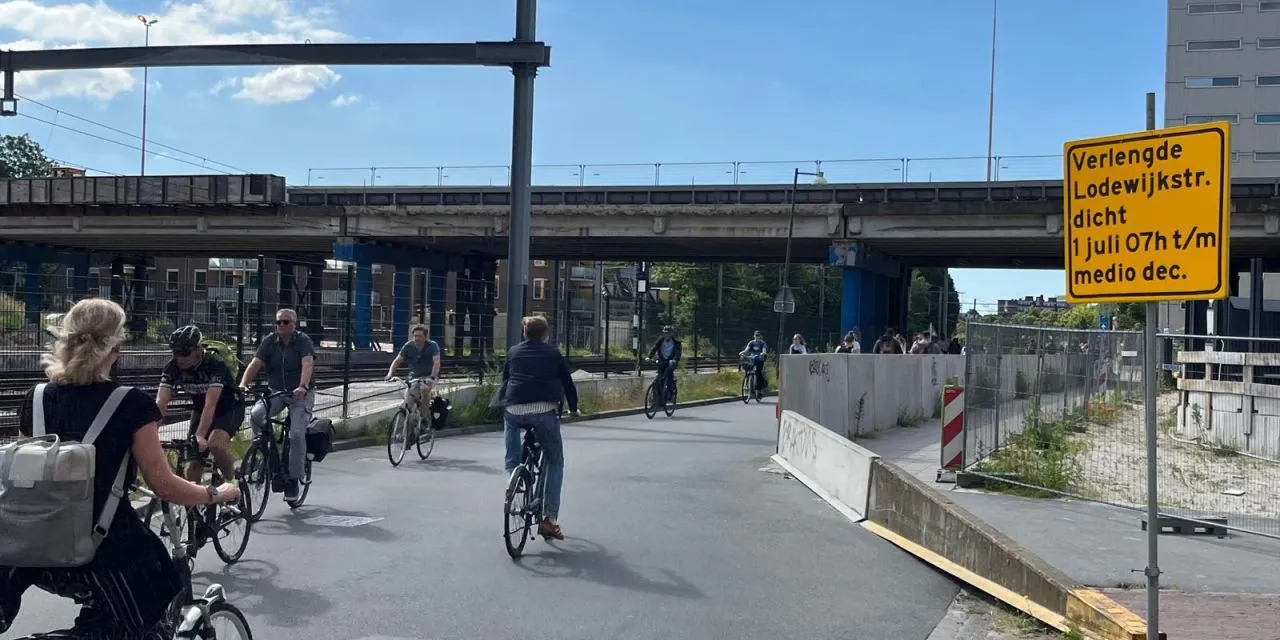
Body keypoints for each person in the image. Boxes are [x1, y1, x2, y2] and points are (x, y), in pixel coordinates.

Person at [1, 298, 239, 639]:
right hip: (102, 551)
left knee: (102, 622)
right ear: (116, 347)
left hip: (33, 548)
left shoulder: (36, 397)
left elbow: (31, 473)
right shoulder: (130, 403)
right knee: (151, 606)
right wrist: (215, 493)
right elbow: (163, 486)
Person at [499, 316, 579, 541]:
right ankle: (549, 519)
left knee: (511, 427)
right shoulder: (553, 353)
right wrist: (573, 408)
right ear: (545, 335)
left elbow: (506, 380)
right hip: (544, 411)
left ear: (524, 333)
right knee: (555, 461)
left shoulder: (513, 352)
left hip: (513, 410)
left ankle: (513, 475)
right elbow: (567, 383)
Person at [239, 308, 316, 502]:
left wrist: (302, 386)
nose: (281, 325)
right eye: (279, 322)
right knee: (257, 415)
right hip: (277, 392)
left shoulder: (303, 341)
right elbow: (255, 364)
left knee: (296, 435)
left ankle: (293, 480)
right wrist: (243, 384)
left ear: (294, 324)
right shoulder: (269, 341)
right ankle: (265, 452)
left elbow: (307, 364)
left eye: (286, 322)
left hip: (300, 394)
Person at [156, 325, 243, 483]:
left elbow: (211, 404)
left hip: (229, 409)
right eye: (176, 353)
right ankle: (195, 505)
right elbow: (161, 402)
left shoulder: (215, 364)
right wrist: (152, 432)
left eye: (185, 353)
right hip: (200, 410)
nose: (180, 358)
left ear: (198, 349)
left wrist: (200, 436)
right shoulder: (173, 367)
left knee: (215, 444)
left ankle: (233, 485)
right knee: (193, 466)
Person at [385, 323, 442, 419]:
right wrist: (390, 374)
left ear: (425, 336)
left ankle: (424, 418)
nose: (417, 338)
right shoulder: (408, 346)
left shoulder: (432, 346)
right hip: (414, 378)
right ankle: (407, 428)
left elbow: (436, 363)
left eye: (419, 336)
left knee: (424, 390)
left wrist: (431, 376)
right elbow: (397, 360)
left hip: (429, 376)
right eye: (415, 336)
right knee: (408, 401)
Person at [647, 325, 682, 397]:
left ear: (671, 334)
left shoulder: (676, 342)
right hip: (662, 361)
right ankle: (655, 398)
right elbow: (654, 348)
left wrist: (675, 359)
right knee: (658, 378)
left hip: (671, 362)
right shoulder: (660, 340)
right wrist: (649, 357)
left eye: (668, 333)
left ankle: (670, 391)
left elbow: (678, 353)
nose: (666, 335)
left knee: (668, 371)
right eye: (664, 333)